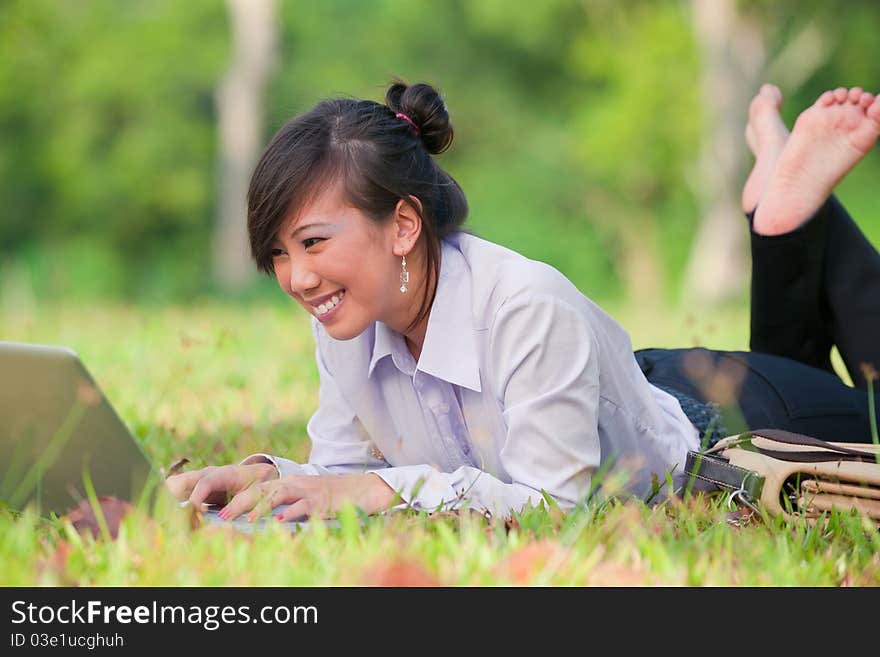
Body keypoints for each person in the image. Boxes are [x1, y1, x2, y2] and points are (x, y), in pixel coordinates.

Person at [166, 80, 880, 523]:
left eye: (314, 243)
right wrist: (265, 478)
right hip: (622, 386)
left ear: (405, 226)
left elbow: (557, 508)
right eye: (282, 253)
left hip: (739, 420)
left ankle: (785, 216)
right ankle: (784, 214)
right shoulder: (349, 321)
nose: (296, 277)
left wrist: (385, 492)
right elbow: (343, 479)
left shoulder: (522, 304)